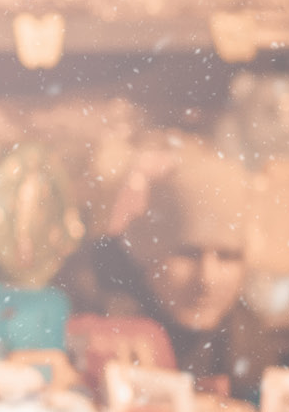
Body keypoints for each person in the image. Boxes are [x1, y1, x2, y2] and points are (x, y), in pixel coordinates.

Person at [61, 155, 267, 399]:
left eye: (227, 257)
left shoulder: (249, 343)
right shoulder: (88, 296)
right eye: (188, 254)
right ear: (147, 253)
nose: (207, 280)